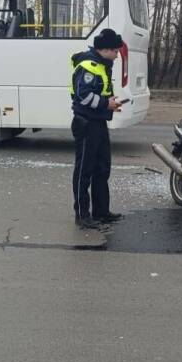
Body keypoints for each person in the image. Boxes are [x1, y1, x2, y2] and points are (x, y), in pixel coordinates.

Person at [70, 28, 124, 229]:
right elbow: (83, 96)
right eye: (115, 51)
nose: (117, 55)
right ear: (105, 49)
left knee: (102, 168)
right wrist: (105, 104)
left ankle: (101, 211)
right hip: (86, 124)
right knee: (84, 170)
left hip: (98, 122)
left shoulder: (102, 64)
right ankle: (82, 214)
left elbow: (98, 94)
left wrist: (109, 104)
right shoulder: (88, 66)